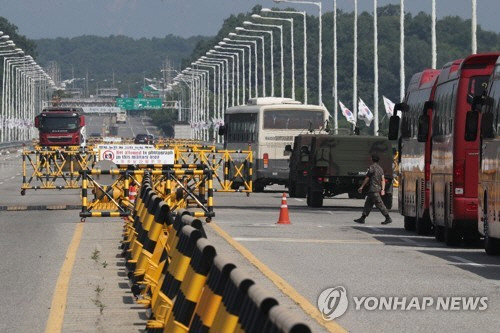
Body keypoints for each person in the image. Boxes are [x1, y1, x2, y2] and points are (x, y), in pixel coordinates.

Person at [354, 153, 392, 225]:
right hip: (375, 189)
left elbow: (367, 178)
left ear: (372, 159)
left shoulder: (372, 167)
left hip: (373, 189)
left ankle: (388, 217)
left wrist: (361, 187)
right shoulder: (380, 168)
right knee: (368, 204)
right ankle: (362, 218)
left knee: (379, 204)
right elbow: (382, 179)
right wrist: (383, 189)